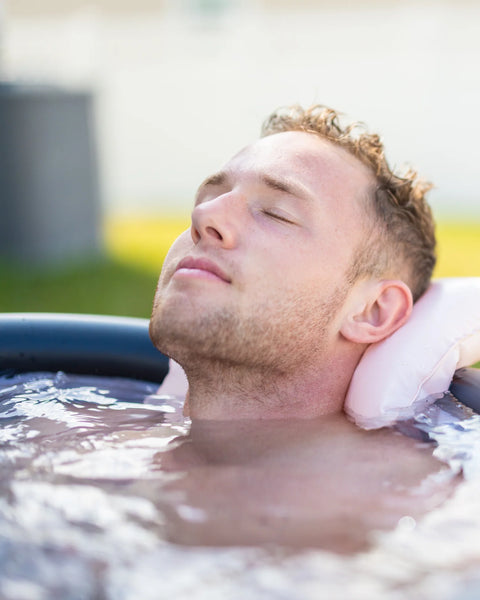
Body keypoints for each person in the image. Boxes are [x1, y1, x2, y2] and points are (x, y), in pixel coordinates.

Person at [149, 105, 451, 552]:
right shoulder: (73, 431)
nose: (203, 218)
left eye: (275, 213)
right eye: (206, 198)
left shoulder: (397, 523)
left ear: (372, 310)